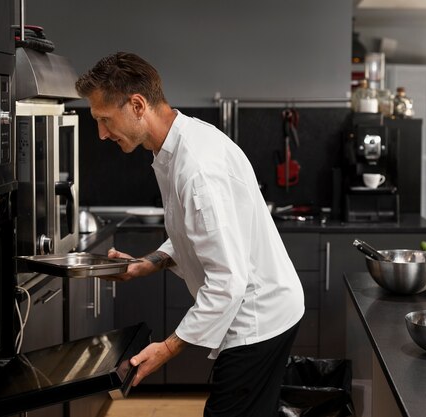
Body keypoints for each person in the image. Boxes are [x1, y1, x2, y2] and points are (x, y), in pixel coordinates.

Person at [75, 52, 304, 417]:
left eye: (104, 120)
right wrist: (149, 263)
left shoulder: (197, 169)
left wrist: (167, 348)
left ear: (137, 105)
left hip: (257, 317)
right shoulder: (176, 145)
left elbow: (227, 280)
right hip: (259, 310)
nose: (101, 134)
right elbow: (194, 232)